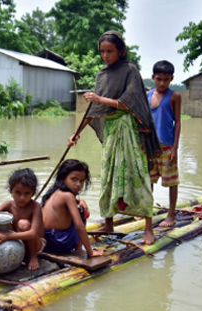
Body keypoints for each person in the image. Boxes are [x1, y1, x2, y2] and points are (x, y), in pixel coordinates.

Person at [69, 31, 162, 244]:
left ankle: (149, 227)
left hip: (128, 130)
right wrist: (76, 133)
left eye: (110, 51)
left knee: (137, 175)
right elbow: (94, 109)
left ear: (121, 51)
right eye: (102, 51)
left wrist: (100, 98)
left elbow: (131, 101)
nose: (105, 55)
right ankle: (108, 222)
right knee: (108, 175)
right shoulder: (102, 75)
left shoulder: (130, 70)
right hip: (111, 132)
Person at [0, 168, 45, 270]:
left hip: (36, 244)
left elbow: (33, 233)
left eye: (27, 193)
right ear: (11, 191)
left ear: (33, 193)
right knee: (2, 223)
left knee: (23, 224)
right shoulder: (9, 204)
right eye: (18, 193)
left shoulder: (35, 207)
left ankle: (32, 257)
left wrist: (7, 236)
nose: (22, 198)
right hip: (18, 240)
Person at [41, 159, 104, 257]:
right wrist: (90, 252)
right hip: (59, 244)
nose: (78, 184)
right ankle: (79, 249)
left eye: (81, 181)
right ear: (63, 178)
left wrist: (79, 201)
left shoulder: (53, 192)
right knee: (81, 212)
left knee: (79, 207)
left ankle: (79, 247)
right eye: (74, 179)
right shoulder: (68, 196)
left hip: (45, 242)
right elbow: (79, 226)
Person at [147, 60, 182, 227]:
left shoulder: (174, 96)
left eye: (166, 80)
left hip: (167, 146)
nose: (162, 83)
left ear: (171, 79)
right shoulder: (147, 96)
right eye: (159, 79)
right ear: (153, 77)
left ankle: (171, 215)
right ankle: (146, 211)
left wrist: (175, 147)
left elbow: (178, 122)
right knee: (148, 181)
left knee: (171, 182)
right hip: (150, 147)